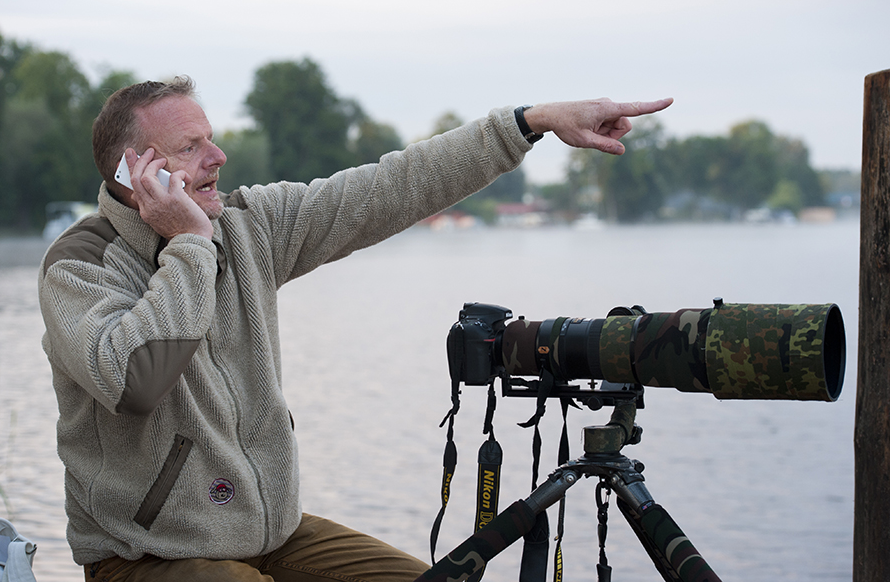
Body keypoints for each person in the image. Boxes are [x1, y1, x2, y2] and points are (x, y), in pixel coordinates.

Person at [37, 75, 672, 582]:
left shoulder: (249, 225)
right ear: (133, 172)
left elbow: (389, 188)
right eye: (190, 148)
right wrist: (191, 247)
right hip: (143, 557)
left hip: (270, 534)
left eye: (212, 138)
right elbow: (138, 380)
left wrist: (528, 124)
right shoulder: (81, 265)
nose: (218, 156)